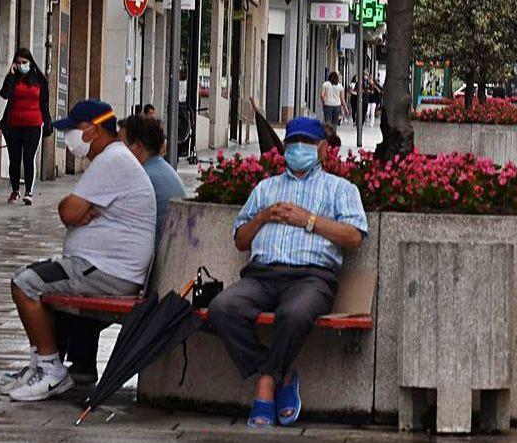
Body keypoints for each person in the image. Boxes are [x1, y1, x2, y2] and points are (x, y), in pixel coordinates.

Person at [206, 117, 366, 428]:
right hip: (261, 275)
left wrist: (309, 220)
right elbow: (240, 240)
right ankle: (282, 374)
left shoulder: (340, 189)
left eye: (307, 144)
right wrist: (263, 216)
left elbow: (354, 237)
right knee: (222, 308)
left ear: (321, 149)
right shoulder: (266, 188)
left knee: (295, 313)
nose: (299, 150)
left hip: (312, 277)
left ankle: (265, 385)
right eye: (293, 144)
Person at [1, 100, 156, 402]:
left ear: (93, 131)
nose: (68, 137)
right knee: (38, 282)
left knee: (24, 284)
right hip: (99, 267)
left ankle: (51, 371)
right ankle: (39, 365)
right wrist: (74, 211)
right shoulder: (111, 159)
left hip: (106, 272)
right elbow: (69, 210)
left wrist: (76, 212)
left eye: (73, 129)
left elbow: (69, 212)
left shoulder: (111, 160)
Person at [120, 114, 188, 240]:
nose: (116, 151)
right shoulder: (161, 169)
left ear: (138, 147)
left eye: (121, 145)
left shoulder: (142, 177)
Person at [0, 48, 52, 205]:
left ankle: (29, 191)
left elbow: (45, 103)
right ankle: (15, 190)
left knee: (29, 157)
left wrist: (48, 123)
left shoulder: (39, 80)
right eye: (18, 63)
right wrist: (10, 74)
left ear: (30, 63)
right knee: (14, 159)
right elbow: (4, 94)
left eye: (24, 62)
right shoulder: (14, 78)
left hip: (33, 125)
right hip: (13, 125)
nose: (21, 65)